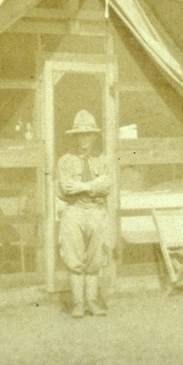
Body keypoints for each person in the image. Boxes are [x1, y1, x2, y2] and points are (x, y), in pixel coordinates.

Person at [57, 109, 112, 317]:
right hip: (74, 211)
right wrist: (93, 186)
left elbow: (107, 186)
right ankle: (78, 303)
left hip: (97, 211)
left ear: (95, 136)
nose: (85, 139)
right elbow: (66, 188)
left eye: (89, 134)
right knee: (74, 258)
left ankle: (92, 301)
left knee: (95, 259)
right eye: (80, 134)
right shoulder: (65, 161)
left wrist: (82, 186)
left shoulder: (103, 160)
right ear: (74, 137)